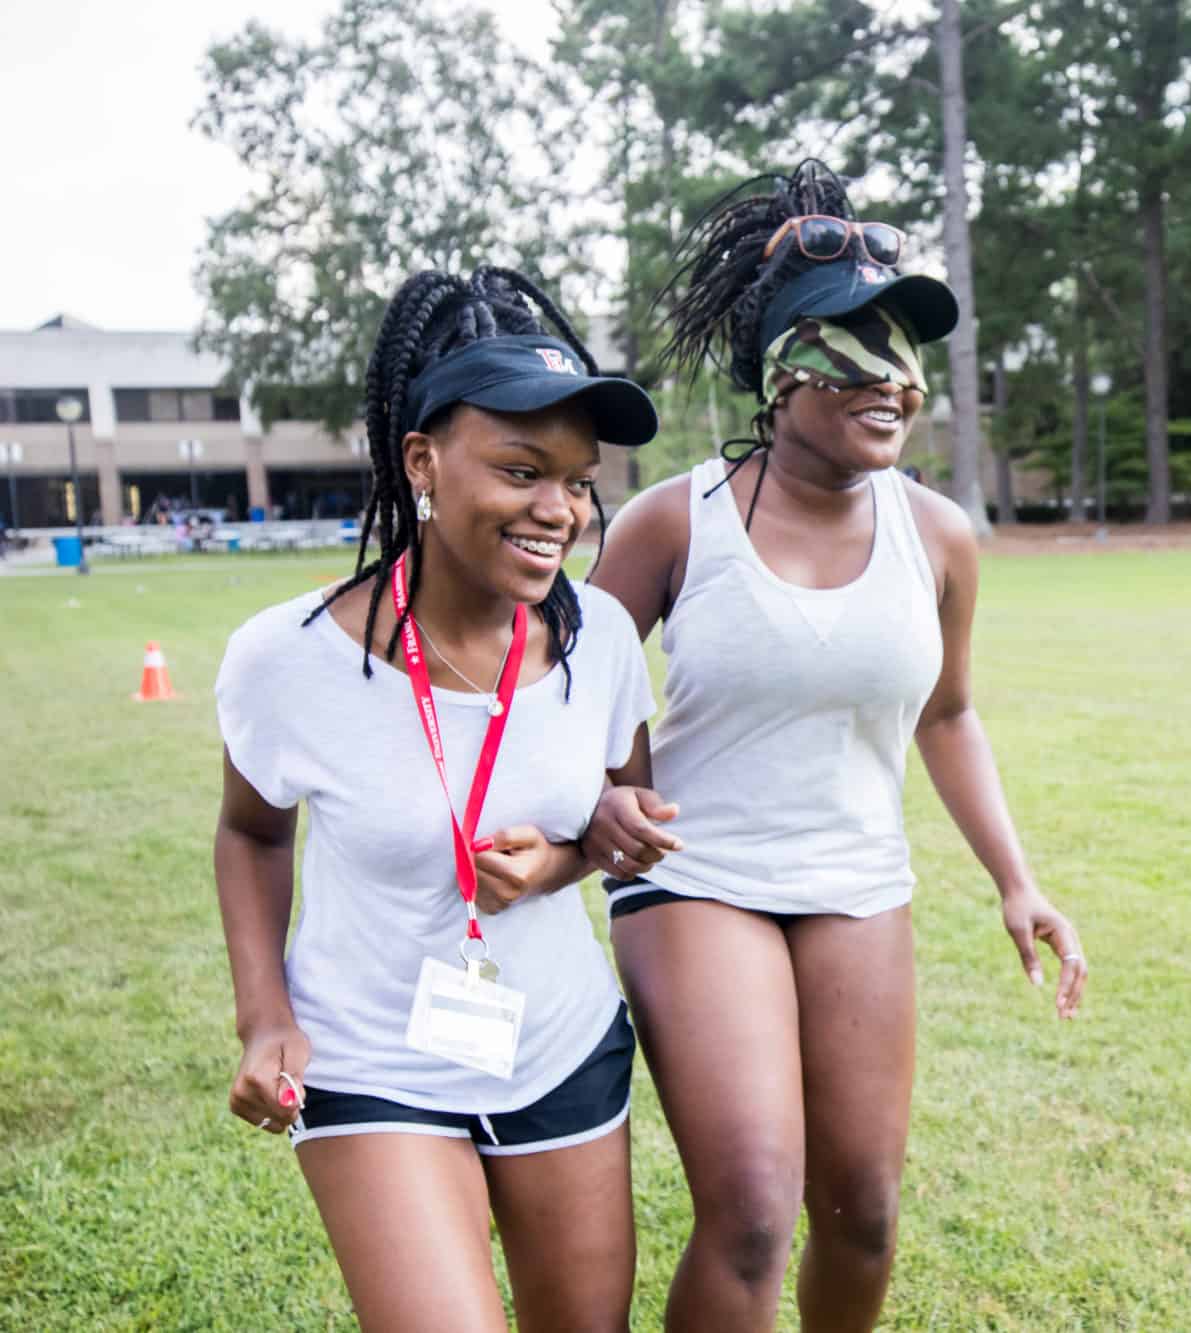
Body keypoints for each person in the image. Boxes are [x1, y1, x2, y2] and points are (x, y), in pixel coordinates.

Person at [584, 161, 1090, 1333]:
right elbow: (586, 685)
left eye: (908, 346)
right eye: (861, 342)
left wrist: (1015, 881)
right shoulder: (676, 519)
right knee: (755, 1210)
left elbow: (947, 713)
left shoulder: (940, 536)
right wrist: (623, 798)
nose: (897, 380)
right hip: (697, 882)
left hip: (858, 886)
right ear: (781, 363)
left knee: (861, 1207)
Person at [213, 266, 668, 1331]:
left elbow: (624, 809)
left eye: (575, 477)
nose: (557, 508)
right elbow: (248, 833)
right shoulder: (288, 657)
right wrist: (263, 1016)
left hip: (558, 1042)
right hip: (371, 1055)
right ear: (422, 460)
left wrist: (573, 856)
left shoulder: (596, 636)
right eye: (521, 469)